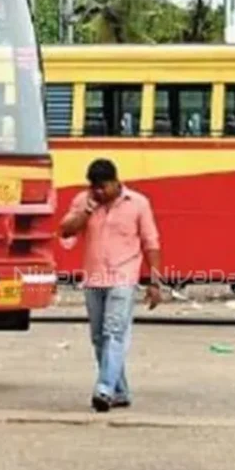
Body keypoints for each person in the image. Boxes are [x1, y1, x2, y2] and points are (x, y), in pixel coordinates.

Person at [58, 158, 162, 412]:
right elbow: (65, 231)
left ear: (116, 182)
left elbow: (151, 242)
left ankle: (104, 388)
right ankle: (120, 390)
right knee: (98, 338)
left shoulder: (138, 203)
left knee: (114, 331)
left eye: (104, 187)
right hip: (94, 277)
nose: (100, 192)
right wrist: (87, 210)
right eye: (95, 188)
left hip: (123, 277)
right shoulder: (84, 201)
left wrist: (155, 281)